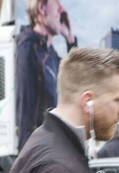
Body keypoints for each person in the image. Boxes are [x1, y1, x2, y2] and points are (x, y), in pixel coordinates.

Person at [17, 0, 78, 150]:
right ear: (42, 8)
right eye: (57, 4)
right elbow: (26, 109)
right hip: (39, 149)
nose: (62, 10)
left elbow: (74, 79)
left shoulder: (49, 53)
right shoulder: (28, 48)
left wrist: (70, 39)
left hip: (52, 144)